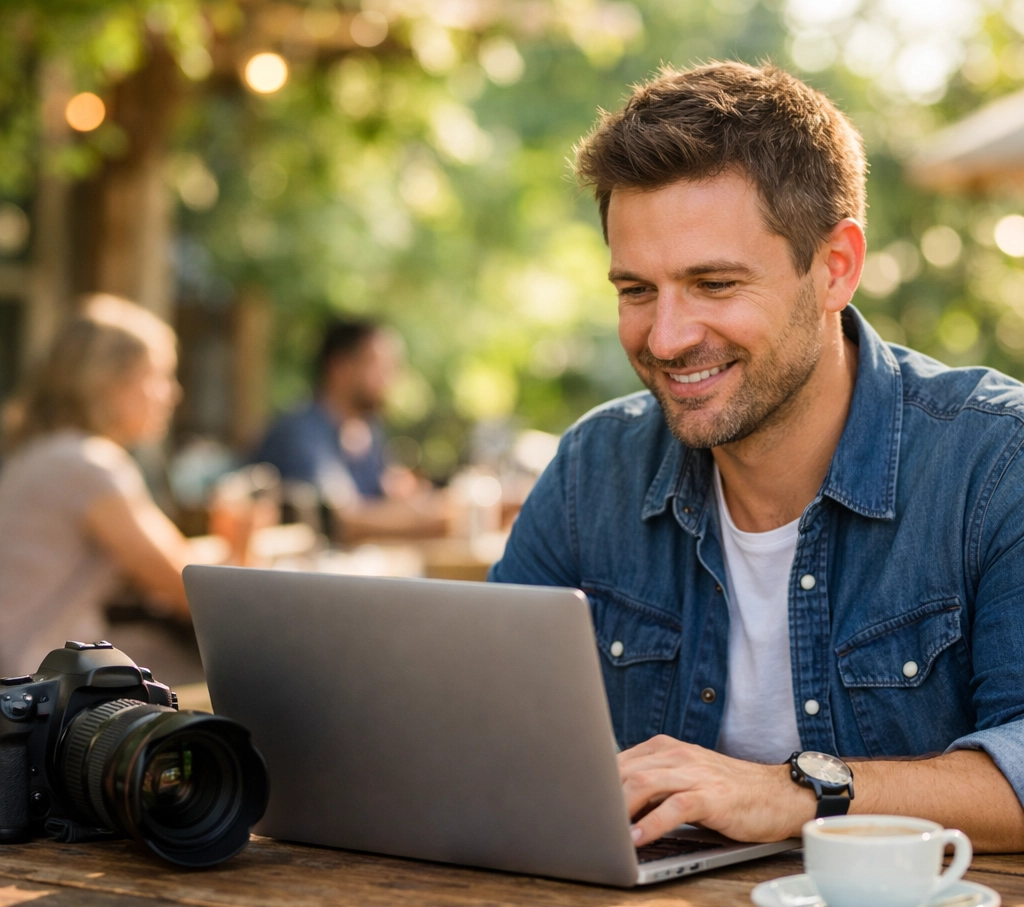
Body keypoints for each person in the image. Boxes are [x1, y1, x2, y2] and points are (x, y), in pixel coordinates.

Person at [489, 61, 1024, 853]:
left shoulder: (994, 462)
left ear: (836, 267)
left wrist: (798, 792)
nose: (666, 339)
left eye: (713, 283)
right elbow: (483, 730)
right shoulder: (591, 469)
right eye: (636, 290)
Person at [0, 294, 196, 676]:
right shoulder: (88, 464)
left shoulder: (43, 452)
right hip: (31, 682)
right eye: (157, 376)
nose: (172, 394)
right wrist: (242, 543)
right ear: (109, 382)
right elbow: (191, 590)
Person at [254, 318, 446, 540]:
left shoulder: (365, 432)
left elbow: (390, 492)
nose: (390, 378)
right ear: (341, 367)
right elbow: (343, 521)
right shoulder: (301, 433)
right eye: (379, 365)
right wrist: (435, 518)